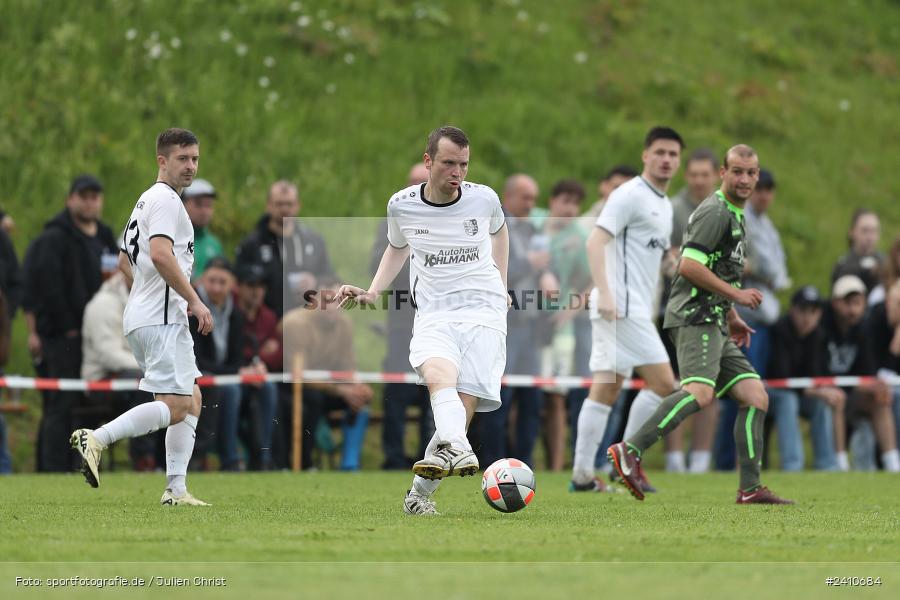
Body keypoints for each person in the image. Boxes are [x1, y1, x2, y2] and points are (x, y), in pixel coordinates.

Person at [336, 125, 509, 515]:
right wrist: (373, 291)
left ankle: (418, 496)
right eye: (449, 163)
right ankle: (460, 450)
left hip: (484, 312)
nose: (457, 173)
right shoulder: (402, 204)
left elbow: (501, 234)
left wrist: (504, 283)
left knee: (457, 413)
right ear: (428, 161)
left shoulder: (485, 200)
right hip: (434, 313)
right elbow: (397, 249)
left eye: (464, 165)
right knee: (437, 377)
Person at [608, 144, 794, 504]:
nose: (743, 179)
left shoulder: (736, 214)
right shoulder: (716, 212)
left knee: (755, 395)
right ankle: (629, 450)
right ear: (723, 173)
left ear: (757, 177)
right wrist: (738, 297)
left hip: (716, 318)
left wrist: (733, 314)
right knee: (700, 392)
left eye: (750, 173)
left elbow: (717, 270)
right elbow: (689, 266)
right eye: (736, 171)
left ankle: (751, 488)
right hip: (695, 316)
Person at [70, 128, 214, 506]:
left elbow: (123, 261)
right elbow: (162, 255)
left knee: (192, 398)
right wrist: (193, 301)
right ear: (161, 161)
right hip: (162, 317)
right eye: (182, 159)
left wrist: (146, 294)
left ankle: (176, 490)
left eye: (195, 158)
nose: (191, 166)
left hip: (145, 315)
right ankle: (96, 438)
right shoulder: (166, 200)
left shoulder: (145, 201)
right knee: (178, 404)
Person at [570, 126, 682, 493]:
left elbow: (649, 256)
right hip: (622, 307)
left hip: (629, 307)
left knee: (607, 388)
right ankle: (627, 457)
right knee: (666, 385)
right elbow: (595, 242)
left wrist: (673, 264)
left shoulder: (664, 204)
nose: (666, 159)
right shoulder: (629, 195)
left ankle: (583, 477)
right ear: (645, 155)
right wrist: (606, 293)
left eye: (673, 154)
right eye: (660, 152)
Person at [25, 174, 119, 472]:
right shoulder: (52, 240)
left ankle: (83, 466)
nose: (90, 202)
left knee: (88, 406)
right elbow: (40, 288)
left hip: (98, 338)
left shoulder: (106, 238)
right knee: (60, 405)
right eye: (84, 196)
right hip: (61, 337)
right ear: (71, 199)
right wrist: (53, 328)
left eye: (95, 196)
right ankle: (51, 470)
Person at [715, 168, 791, 471]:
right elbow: (750, 266)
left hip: (763, 323)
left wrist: (761, 269)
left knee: (756, 395)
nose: (764, 195)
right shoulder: (740, 218)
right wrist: (759, 268)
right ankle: (727, 462)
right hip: (743, 319)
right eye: (761, 189)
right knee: (741, 394)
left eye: (769, 190)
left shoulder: (768, 226)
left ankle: (747, 461)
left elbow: (780, 273)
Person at [369, 163, 435, 470]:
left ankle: (431, 455)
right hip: (401, 326)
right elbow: (378, 265)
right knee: (397, 392)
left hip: (437, 324)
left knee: (434, 391)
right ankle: (394, 456)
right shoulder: (394, 221)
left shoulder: (446, 221)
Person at [478, 173, 543, 468]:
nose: (531, 204)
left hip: (530, 326)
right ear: (509, 196)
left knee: (532, 400)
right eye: (525, 198)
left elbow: (539, 267)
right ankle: (494, 461)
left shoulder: (530, 229)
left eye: (533, 198)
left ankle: (523, 462)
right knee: (499, 398)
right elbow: (492, 268)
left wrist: (546, 273)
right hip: (505, 325)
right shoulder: (493, 225)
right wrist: (531, 264)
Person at [663, 148, 720, 474]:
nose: (699, 180)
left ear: (715, 175)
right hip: (678, 308)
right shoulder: (673, 211)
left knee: (708, 388)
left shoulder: (727, 209)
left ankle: (700, 460)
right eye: (694, 174)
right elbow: (669, 257)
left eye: (705, 174)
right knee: (677, 384)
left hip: (714, 311)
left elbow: (744, 258)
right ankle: (674, 459)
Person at [282, 276, 373, 470]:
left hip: (329, 389)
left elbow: (348, 367)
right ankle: (305, 464)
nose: (332, 307)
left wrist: (357, 387)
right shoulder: (295, 323)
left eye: (338, 301)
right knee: (312, 400)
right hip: (294, 389)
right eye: (327, 301)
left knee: (361, 398)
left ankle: (350, 463)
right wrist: (342, 391)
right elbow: (299, 376)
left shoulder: (345, 324)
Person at [81, 271, 161, 470]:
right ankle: (143, 458)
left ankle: (178, 458)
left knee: (175, 384)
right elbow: (108, 355)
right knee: (149, 382)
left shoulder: (148, 299)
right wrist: (152, 367)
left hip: (134, 373)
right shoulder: (104, 304)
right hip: (102, 380)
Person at [821, 274, 899, 472]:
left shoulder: (864, 329)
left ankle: (892, 463)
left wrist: (875, 387)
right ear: (835, 303)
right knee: (836, 397)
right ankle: (840, 464)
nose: (852, 309)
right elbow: (818, 371)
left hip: (852, 394)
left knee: (881, 398)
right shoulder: (822, 326)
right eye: (847, 303)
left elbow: (868, 371)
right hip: (823, 392)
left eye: (857, 303)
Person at [539, 179, 591, 471]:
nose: (570, 209)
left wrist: (568, 314)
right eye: (565, 201)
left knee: (556, 398)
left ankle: (557, 465)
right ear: (553, 200)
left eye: (575, 203)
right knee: (522, 396)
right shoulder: (533, 223)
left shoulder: (579, 238)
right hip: (526, 322)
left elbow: (588, 283)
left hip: (560, 330)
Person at [236, 180, 335, 317]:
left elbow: (330, 277)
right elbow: (239, 279)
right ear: (269, 206)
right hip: (268, 321)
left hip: (307, 318)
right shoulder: (252, 244)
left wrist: (315, 282)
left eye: (289, 204)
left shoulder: (315, 241)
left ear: (297, 206)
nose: (284, 209)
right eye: (279, 204)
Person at [766, 286, 839, 471]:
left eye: (813, 311)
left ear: (820, 314)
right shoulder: (778, 330)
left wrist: (825, 391)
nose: (808, 317)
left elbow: (818, 373)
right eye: (803, 310)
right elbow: (780, 375)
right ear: (792, 310)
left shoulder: (819, 336)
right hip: (772, 393)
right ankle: (793, 465)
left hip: (804, 394)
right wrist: (817, 390)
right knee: (788, 400)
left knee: (821, 403)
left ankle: (827, 464)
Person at [191, 257, 247, 471]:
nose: (216, 287)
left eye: (222, 282)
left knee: (268, 388)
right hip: (198, 375)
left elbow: (237, 356)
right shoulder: (191, 310)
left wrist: (249, 368)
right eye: (211, 280)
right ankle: (228, 457)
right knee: (229, 390)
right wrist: (237, 371)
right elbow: (196, 359)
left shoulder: (236, 314)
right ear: (202, 280)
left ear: (232, 284)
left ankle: (268, 457)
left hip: (224, 375)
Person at [235, 262, 282, 469]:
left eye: (260, 286)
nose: (256, 291)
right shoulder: (232, 311)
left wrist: (259, 360)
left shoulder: (269, 317)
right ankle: (232, 458)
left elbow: (279, 354)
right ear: (240, 287)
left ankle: (263, 457)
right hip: (234, 378)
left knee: (270, 390)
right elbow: (234, 351)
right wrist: (260, 355)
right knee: (232, 394)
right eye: (251, 285)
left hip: (259, 380)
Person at [831, 208, 883, 297]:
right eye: (865, 231)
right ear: (852, 232)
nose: (870, 237)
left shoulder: (886, 263)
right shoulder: (843, 266)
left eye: (874, 231)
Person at [182, 178, 225, 278]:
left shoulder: (214, 244)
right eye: (199, 204)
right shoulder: (172, 238)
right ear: (183, 204)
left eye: (209, 205)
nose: (204, 211)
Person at [578, 165, 640, 231]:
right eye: (617, 188)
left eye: (630, 191)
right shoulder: (581, 226)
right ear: (604, 186)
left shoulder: (642, 226)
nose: (623, 195)